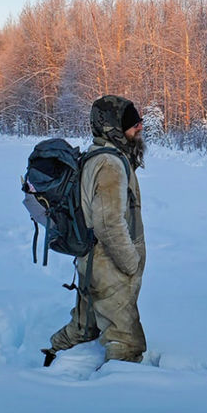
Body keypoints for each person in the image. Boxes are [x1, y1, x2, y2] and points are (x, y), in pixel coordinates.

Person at [43, 95, 147, 366]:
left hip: (91, 264)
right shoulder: (110, 165)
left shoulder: (98, 155)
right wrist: (130, 263)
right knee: (126, 344)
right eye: (132, 123)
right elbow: (108, 223)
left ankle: (51, 354)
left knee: (83, 327)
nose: (140, 127)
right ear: (112, 127)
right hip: (109, 268)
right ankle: (116, 399)